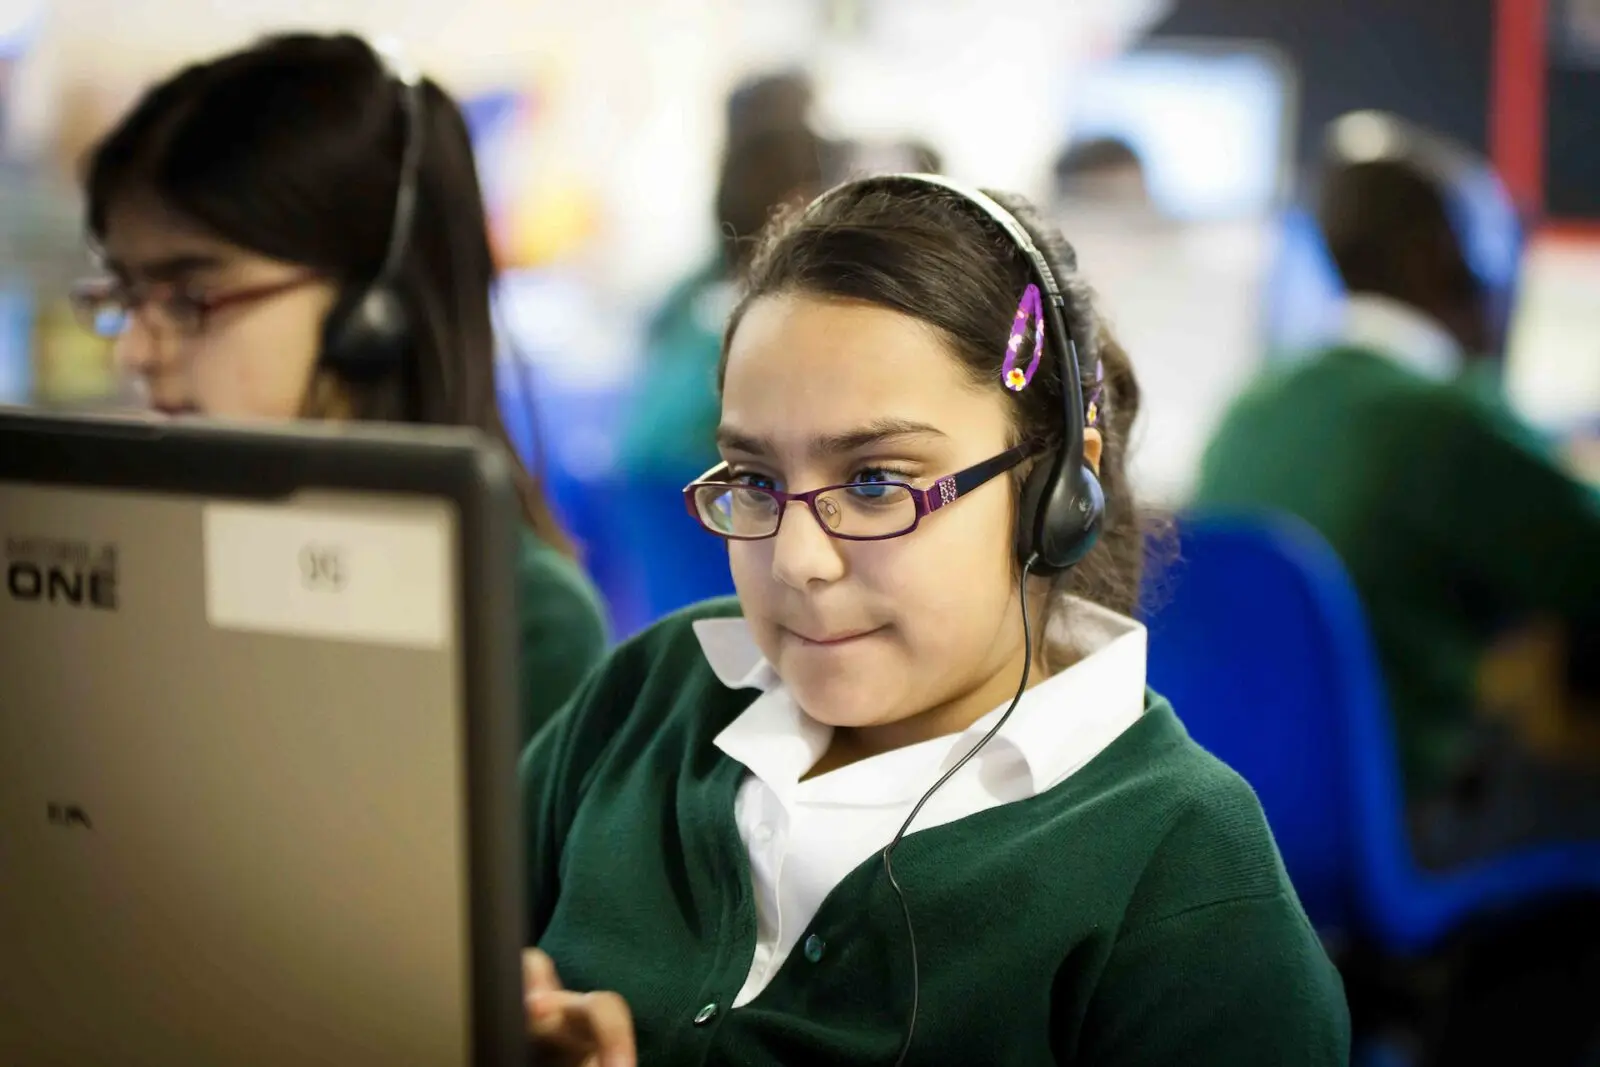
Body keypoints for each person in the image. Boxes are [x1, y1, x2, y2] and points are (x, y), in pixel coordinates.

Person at [519, 175, 1349, 1065]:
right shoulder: (649, 698)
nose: (797, 559)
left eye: (876, 482)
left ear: (1054, 492)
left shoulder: (1184, 882)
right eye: (756, 480)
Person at [73, 32, 608, 743]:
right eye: (126, 295)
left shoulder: (521, 618)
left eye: (190, 297)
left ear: (370, 312)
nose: (134, 354)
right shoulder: (140, 559)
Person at [1195, 113, 1600, 857]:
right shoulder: (1446, 421)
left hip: (1249, 828)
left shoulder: (1253, 406)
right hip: (1398, 831)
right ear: (1449, 262)